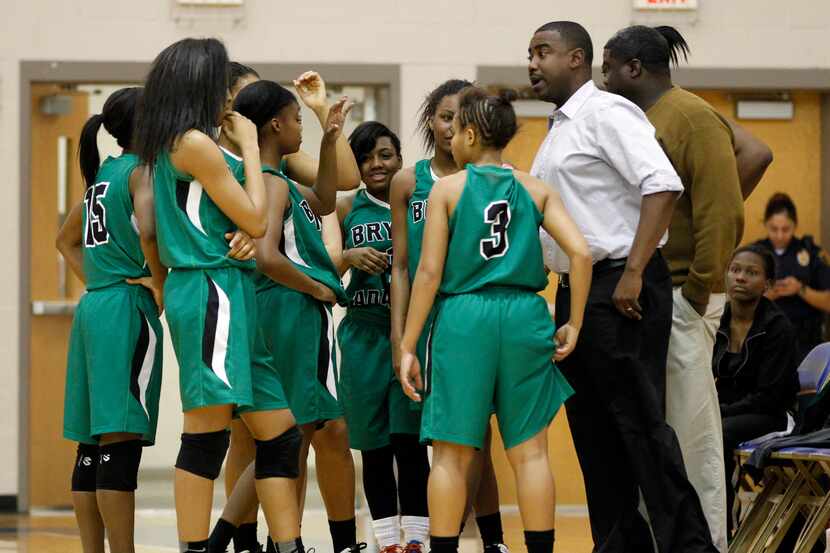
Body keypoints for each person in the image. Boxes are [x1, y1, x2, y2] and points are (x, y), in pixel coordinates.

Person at [528, 20, 718, 553]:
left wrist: (634, 271)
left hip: (620, 286)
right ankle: (618, 546)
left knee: (639, 429)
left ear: (577, 59)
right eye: (529, 53)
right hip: (577, 289)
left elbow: (663, 185)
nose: (532, 64)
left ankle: (690, 547)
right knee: (593, 434)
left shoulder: (607, 112)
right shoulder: (560, 127)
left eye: (543, 52)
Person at [399, 86, 591, 553]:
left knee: (450, 454)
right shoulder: (536, 188)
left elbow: (427, 273)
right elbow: (581, 252)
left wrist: (407, 344)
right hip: (527, 316)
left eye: (454, 129)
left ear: (468, 133)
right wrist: (575, 322)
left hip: (465, 316)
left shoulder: (448, 188)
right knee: (530, 453)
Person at [602, 25, 762, 552]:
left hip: (681, 295)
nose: (601, 78)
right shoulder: (642, 118)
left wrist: (698, 289)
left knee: (692, 440)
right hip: (650, 294)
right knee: (657, 438)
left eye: (607, 66)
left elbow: (725, 209)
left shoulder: (688, 114)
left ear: (633, 68)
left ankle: (708, 543)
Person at [216, 63, 361, 553]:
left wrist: (327, 132)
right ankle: (240, 540)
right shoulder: (271, 184)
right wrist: (316, 288)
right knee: (287, 435)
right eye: (297, 118)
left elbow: (325, 197)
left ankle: (234, 539)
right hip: (292, 310)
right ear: (275, 125)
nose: (301, 124)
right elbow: (267, 255)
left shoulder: (278, 178)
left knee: (288, 434)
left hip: (277, 310)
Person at [134, 37, 270, 553]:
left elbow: (226, 217)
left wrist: (235, 230)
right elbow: (256, 217)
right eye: (220, 83)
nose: (228, 97)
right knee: (207, 431)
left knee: (266, 430)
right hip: (211, 288)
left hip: (212, 284)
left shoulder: (175, 142)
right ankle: (195, 546)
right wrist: (253, 148)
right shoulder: (193, 142)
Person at [389, 79, 509, 553]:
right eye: (443, 116)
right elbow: (401, 266)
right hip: (422, 320)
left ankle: (471, 534)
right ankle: (444, 532)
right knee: (436, 437)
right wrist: (401, 336)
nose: (450, 126)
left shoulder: (496, 181)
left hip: (469, 317)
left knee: (473, 434)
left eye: (461, 117)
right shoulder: (408, 181)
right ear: (430, 121)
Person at [56, 86, 164, 553]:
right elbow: (151, 230)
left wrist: (98, 278)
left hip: (94, 306)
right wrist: (158, 282)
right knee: (119, 438)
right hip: (124, 308)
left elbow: (65, 241)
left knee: (91, 444)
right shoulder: (142, 172)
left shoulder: (101, 176)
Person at [334, 121, 430, 553]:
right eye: (366, 157)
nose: (376, 164)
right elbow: (323, 273)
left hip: (407, 332)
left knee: (409, 444)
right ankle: (387, 541)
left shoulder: (415, 202)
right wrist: (347, 256)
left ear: (400, 160)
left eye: (385, 155)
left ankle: (417, 539)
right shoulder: (343, 208)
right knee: (372, 448)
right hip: (361, 333)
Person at [714, 244, 799, 533]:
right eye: (735, 270)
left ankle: (722, 527)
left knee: (718, 432)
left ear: (768, 285)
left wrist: (718, 412)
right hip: (728, 412)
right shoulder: (717, 321)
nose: (740, 278)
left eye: (751, 273)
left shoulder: (778, 328)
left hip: (772, 414)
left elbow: (769, 397)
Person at [754, 193, 830, 361]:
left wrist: (800, 289)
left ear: (795, 225)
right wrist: (767, 296)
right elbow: (737, 304)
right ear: (765, 224)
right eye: (774, 229)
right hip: (765, 345)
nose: (780, 235)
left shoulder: (810, 252)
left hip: (806, 345)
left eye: (786, 229)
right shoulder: (754, 255)